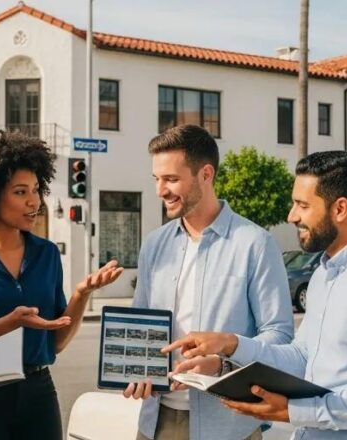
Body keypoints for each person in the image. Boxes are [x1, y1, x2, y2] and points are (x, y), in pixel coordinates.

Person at [167, 151, 347, 439]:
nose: (292, 216)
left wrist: (296, 411)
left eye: (302, 205)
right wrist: (230, 345)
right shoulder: (324, 274)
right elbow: (302, 357)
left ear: (340, 209)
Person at [0, 131, 123, 440]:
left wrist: (80, 294)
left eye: (36, 189)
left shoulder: (46, 253)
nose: (34, 201)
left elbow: (55, 342)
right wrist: (9, 323)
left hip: (37, 392)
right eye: (21, 192)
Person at [123, 124, 294, 440]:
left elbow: (280, 337)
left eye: (171, 179)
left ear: (205, 174)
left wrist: (221, 362)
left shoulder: (255, 244)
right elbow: (140, 327)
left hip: (229, 424)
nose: (161, 190)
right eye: (157, 179)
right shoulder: (153, 244)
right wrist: (135, 369)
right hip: (156, 422)